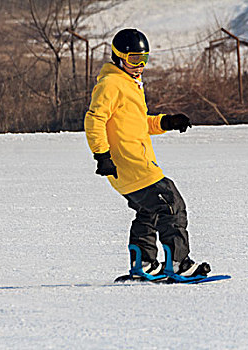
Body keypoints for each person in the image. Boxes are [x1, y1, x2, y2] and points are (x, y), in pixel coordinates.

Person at [84, 28, 210, 281]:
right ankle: (178, 263)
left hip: (126, 167)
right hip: (130, 164)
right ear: (119, 57)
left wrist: (167, 122)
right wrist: (102, 155)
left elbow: (138, 123)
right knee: (171, 203)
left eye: (144, 59)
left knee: (149, 211)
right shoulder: (111, 84)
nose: (140, 65)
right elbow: (94, 119)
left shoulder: (129, 84)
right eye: (134, 60)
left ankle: (143, 264)